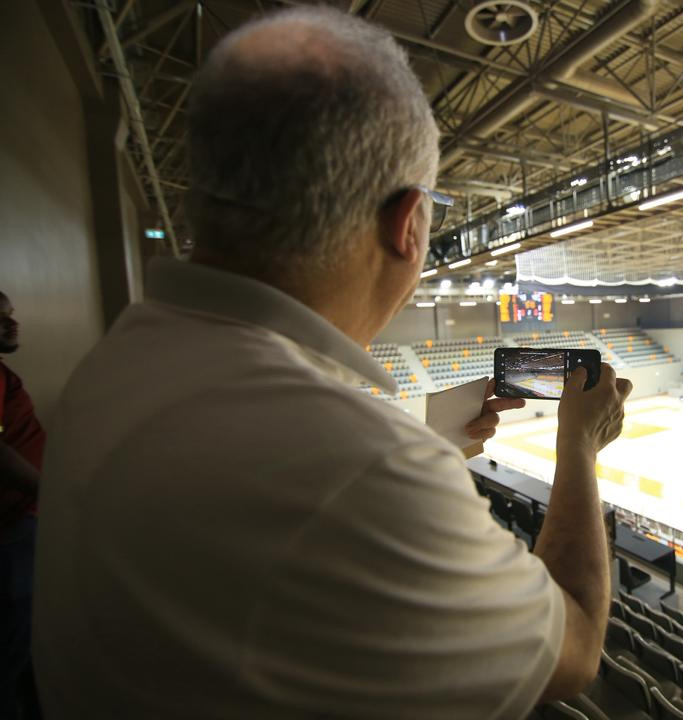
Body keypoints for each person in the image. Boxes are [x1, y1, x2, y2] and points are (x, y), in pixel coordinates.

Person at [33, 7, 631, 719]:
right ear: (407, 223)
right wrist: (579, 444)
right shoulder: (362, 468)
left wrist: (431, 441)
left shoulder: (115, 362)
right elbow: (576, 650)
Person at [0, 291, 44, 720]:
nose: (12, 324)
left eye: (10, 315)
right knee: (13, 643)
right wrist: (48, 490)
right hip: (10, 525)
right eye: (0, 318)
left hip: (20, 518)